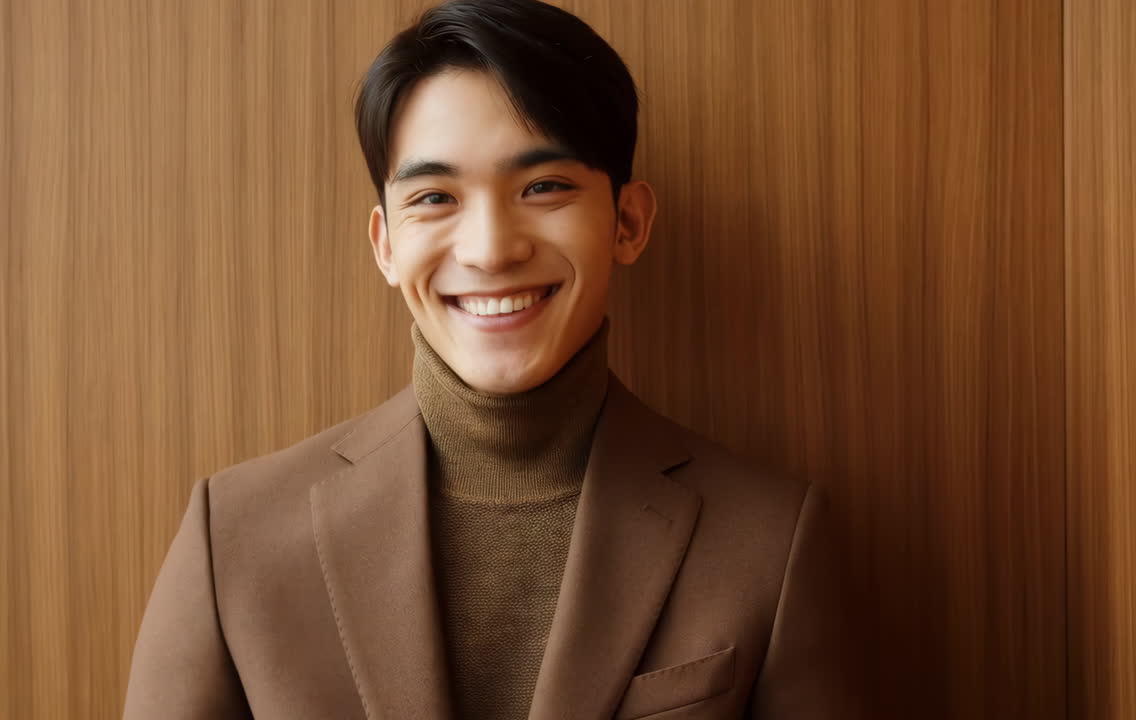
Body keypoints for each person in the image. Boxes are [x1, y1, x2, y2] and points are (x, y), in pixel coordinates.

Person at [123, 1, 858, 718]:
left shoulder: (771, 541)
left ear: (627, 222)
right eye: (435, 197)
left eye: (543, 187)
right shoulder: (234, 538)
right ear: (385, 244)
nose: (490, 249)